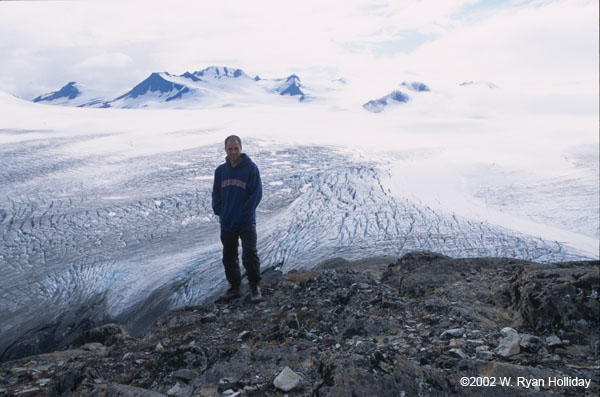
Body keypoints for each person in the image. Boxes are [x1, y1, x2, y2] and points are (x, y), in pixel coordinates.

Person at [212, 135, 263, 303]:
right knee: (229, 256)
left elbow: (256, 194)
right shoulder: (220, 171)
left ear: (240, 148)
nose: (233, 152)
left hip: (246, 222)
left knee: (249, 254)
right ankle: (235, 288)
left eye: (235, 148)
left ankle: (254, 287)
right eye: (230, 149)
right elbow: (216, 193)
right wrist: (220, 210)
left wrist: (244, 214)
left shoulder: (251, 169)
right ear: (225, 150)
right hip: (227, 222)